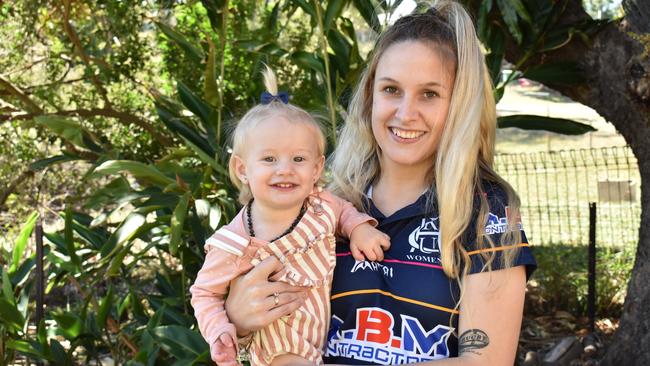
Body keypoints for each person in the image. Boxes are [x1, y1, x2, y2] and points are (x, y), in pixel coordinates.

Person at [223, 1, 536, 365]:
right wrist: (239, 321)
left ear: (459, 106)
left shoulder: (484, 210)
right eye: (391, 90)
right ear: (371, 94)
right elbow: (269, 330)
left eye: (429, 94)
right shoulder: (324, 203)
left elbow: (485, 361)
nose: (405, 113)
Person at [190, 66, 391, 366]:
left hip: (323, 340)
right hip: (280, 350)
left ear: (316, 169)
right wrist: (220, 330)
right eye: (269, 159)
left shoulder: (322, 205)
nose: (285, 169)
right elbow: (204, 293)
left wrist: (359, 228)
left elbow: (343, 213)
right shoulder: (234, 244)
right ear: (243, 169)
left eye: (298, 159)